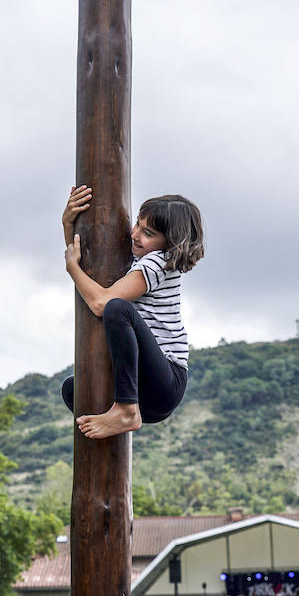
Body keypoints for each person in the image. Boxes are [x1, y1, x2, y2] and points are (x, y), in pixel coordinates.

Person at [59, 186, 204, 438]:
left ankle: (126, 410)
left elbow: (100, 302)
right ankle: (120, 413)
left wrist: (71, 269)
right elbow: (89, 267)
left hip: (164, 381)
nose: (135, 235)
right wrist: (68, 224)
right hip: (143, 387)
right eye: (137, 224)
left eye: (148, 233)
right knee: (75, 388)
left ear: (170, 243)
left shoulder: (159, 262)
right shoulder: (142, 257)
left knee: (117, 308)